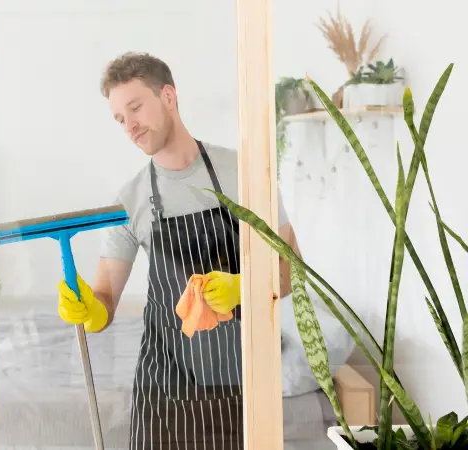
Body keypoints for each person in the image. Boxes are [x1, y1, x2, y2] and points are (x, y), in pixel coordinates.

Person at [56, 51, 301, 449]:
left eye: (135, 107)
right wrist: (89, 309)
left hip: (241, 379)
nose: (130, 126)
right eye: (120, 119)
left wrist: (245, 287)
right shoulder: (130, 199)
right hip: (163, 387)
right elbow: (104, 300)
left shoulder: (245, 173)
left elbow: (293, 269)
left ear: (168, 96)